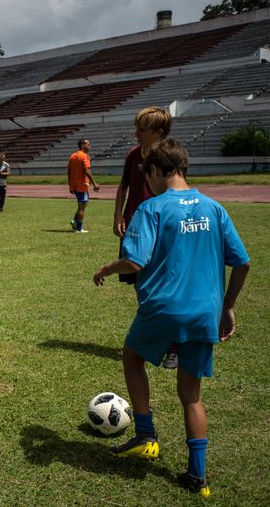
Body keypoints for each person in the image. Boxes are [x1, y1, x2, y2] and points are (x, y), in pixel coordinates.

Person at [93, 139, 250, 499]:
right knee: (191, 395)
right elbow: (242, 262)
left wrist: (106, 267)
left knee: (132, 357)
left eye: (147, 173)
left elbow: (135, 262)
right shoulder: (214, 208)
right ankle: (198, 477)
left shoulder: (151, 208)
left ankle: (146, 435)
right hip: (203, 314)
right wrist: (227, 307)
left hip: (163, 308)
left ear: (157, 171)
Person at [113, 107, 177, 367]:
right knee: (142, 287)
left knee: (162, 288)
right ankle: (155, 341)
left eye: (142, 129)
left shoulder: (168, 157)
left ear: (158, 133)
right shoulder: (131, 155)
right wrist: (118, 216)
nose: (136, 133)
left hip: (160, 228)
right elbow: (123, 186)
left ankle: (174, 345)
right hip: (135, 229)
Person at [67, 139, 99, 232]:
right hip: (82, 185)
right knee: (82, 206)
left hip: (75, 185)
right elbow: (87, 170)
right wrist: (94, 183)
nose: (90, 146)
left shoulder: (72, 156)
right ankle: (79, 229)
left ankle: (75, 221)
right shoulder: (84, 156)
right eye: (88, 145)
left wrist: (70, 183)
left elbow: (69, 171)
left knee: (83, 204)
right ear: (82, 146)